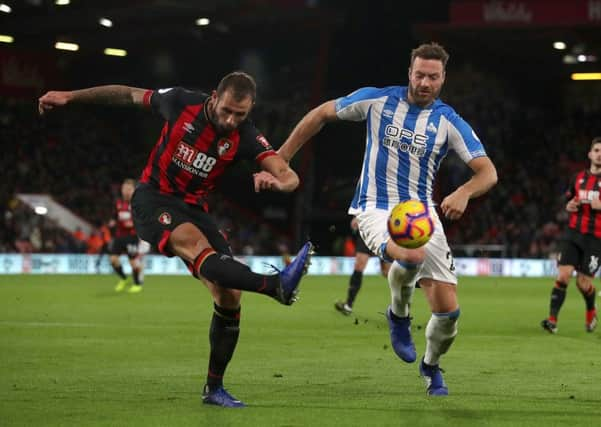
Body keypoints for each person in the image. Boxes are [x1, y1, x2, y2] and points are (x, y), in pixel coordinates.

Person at [38, 71, 313, 407]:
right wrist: (71, 95)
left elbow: (288, 175)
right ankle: (275, 286)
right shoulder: (181, 102)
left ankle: (214, 389)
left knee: (229, 296)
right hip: (153, 199)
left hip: (195, 208)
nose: (230, 119)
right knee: (198, 248)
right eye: (226, 110)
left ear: (250, 109)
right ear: (214, 97)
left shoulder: (245, 136)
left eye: (239, 114)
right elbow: (127, 94)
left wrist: (277, 182)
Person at [278, 43, 497, 396]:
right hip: (375, 206)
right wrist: (282, 157)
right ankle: (399, 315)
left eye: (433, 77)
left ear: (443, 79)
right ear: (409, 73)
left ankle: (431, 365)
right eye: (420, 74)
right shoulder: (378, 101)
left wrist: (464, 192)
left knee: (449, 315)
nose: (425, 82)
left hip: (422, 213)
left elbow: (488, 172)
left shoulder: (448, 121)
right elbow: (320, 114)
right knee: (411, 254)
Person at [541, 137, 601, 334]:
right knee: (563, 275)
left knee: (583, 283)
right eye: (597, 150)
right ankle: (552, 320)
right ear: (590, 154)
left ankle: (591, 309)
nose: (599, 154)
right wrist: (569, 205)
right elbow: (568, 200)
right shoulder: (578, 178)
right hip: (573, 234)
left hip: (595, 239)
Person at [335, 216, 391, 315]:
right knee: (359, 265)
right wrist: (357, 216)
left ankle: (400, 308)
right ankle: (348, 305)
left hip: (384, 230)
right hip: (367, 229)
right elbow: (364, 201)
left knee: (387, 272)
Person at [108, 178, 145, 294]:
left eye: (129, 189)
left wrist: (134, 224)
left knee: (133, 262)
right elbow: (114, 217)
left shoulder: (137, 204)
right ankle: (124, 278)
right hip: (119, 236)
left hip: (132, 237)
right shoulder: (118, 203)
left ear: (134, 190)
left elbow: (143, 220)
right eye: (124, 188)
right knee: (113, 260)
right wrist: (112, 222)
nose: (126, 191)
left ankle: (137, 284)